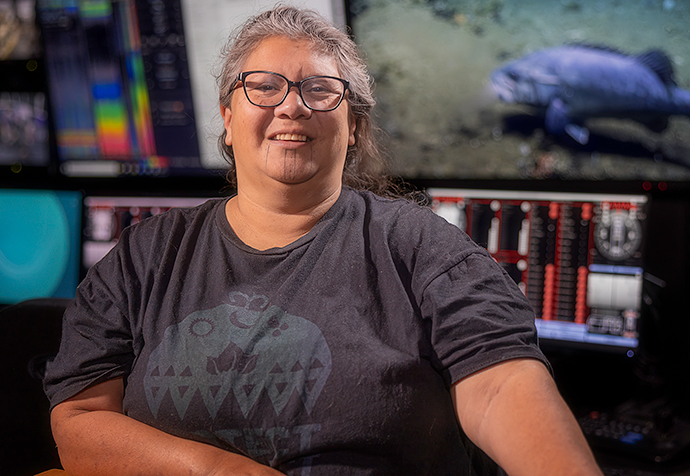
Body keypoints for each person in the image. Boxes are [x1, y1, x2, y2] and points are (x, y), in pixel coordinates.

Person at [44, 6, 603, 476]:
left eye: (320, 89)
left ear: (353, 124)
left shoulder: (422, 247)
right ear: (226, 116)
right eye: (263, 87)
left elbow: (500, 383)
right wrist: (220, 470)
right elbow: (79, 422)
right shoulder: (144, 257)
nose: (292, 106)